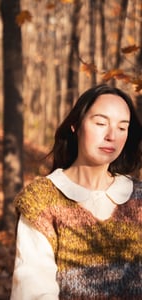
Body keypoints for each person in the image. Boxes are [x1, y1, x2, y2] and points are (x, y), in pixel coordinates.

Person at [10, 84, 142, 300]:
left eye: (122, 127)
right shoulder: (42, 200)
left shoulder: (138, 199)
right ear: (75, 125)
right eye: (100, 123)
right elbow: (31, 291)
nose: (111, 136)